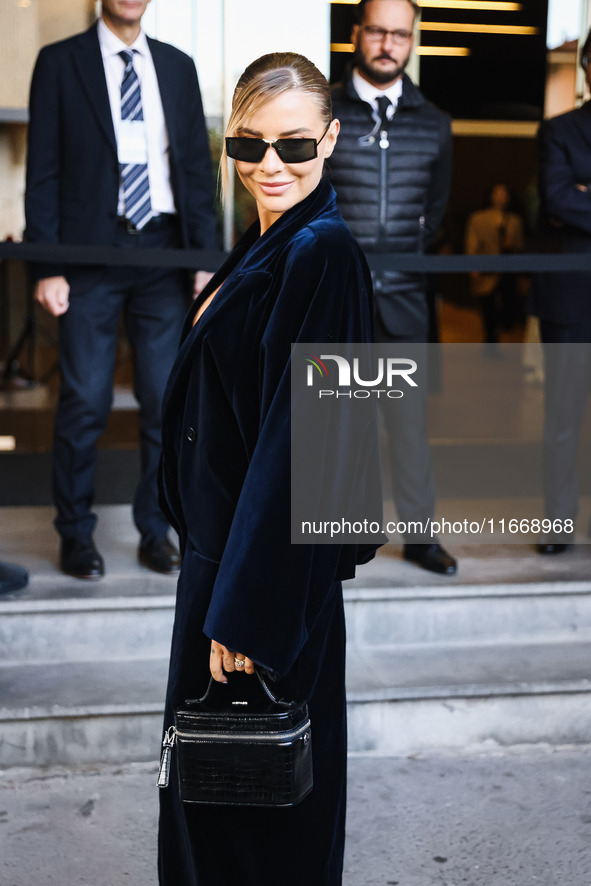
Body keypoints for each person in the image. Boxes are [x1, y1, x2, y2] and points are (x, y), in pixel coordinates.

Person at [157, 52, 382, 886]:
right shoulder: (270, 243)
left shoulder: (319, 254)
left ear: (329, 138)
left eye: (293, 145)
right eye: (248, 148)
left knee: (254, 822)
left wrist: (248, 616)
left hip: (261, 589)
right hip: (227, 569)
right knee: (220, 806)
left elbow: (310, 448)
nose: (270, 166)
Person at [25, 0, 216, 580]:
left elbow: (195, 172)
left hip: (164, 253)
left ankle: (156, 529)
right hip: (88, 256)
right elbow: (44, 171)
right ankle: (76, 535)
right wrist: (47, 266)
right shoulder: (60, 63)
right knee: (85, 400)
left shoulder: (178, 67)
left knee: (165, 400)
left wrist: (205, 262)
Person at [329, 0, 456, 575]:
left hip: (405, 296)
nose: (387, 43)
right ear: (357, 34)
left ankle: (421, 537)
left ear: (412, 42)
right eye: (377, 31)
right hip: (334, 296)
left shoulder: (434, 122)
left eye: (399, 35)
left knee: (408, 427)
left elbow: (436, 212)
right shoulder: (322, 109)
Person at [535, 30, 591, 555]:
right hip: (572, 302)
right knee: (563, 421)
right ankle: (558, 525)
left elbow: (576, 205)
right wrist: (571, 198)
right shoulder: (559, 131)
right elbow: (557, 199)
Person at [465, 183, 524, 354]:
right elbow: (472, 244)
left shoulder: (515, 220)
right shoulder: (478, 218)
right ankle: (491, 343)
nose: (500, 197)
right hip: (487, 271)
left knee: (508, 309)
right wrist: (472, 266)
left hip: (507, 271)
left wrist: (511, 245)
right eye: (497, 193)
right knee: (488, 309)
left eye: (504, 193)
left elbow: (520, 246)